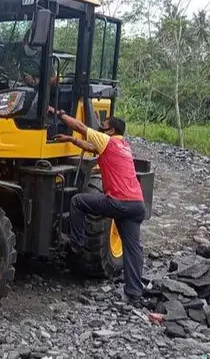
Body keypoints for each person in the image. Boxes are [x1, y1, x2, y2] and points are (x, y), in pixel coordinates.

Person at [50, 108, 147, 303]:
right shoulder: (123, 145)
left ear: (111, 130)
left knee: (78, 201)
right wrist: (71, 141)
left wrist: (58, 113)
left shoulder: (107, 140)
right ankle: (134, 293)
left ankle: (76, 244)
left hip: (118, 202)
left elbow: (79, 126)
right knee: (133, 248)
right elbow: (92, 147)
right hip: (137, 205)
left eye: (104, 124)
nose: (101, 126)